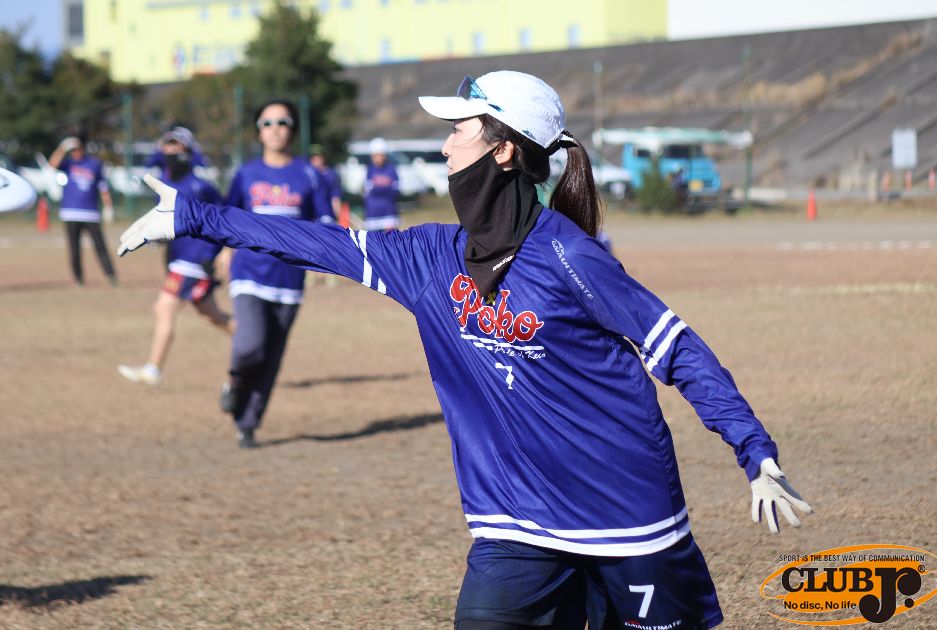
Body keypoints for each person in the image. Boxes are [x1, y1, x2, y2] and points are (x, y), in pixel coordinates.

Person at [119, 71, 813, 628]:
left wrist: (752, 450)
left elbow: (676, 348)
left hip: (626, 517)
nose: (446, 146)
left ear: (503, 149)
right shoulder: (429, 257)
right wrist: (194, 216)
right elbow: (316, 243)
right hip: (514, 525)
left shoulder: (571, 257)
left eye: (458, 129)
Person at [217, 98, 327, 448]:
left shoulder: (309, 175)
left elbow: (324, 222)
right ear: (258, 132)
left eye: (282, 122)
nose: (275, 129)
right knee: (250, 344)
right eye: (267, 123)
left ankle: (247, 423)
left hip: (289, 280)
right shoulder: (246, 173)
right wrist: (224, 250)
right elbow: (228, 216)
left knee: (272, 357)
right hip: (248, 273)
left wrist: (324, 260)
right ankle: (235, 378)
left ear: (293, 130)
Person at [117, 129, 234, 387]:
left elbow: (224, 219)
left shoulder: (201, 186)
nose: (171, 150)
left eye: (177, 145)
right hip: (179, 258)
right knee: (210, 315)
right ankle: (254, 342)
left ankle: (153, 369)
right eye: (167, 145)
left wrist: (220, 252)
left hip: (194, 261)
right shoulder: (165, 182)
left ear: (188, 151)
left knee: (164, 308)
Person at [48, 135, 117, 286]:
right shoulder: (68, 163)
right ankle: (78, 278)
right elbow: (52, 165)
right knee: (74, 248)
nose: (75, 152)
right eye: (72, 150)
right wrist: (62, 148)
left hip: (91, 213)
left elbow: (103, 187)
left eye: (77, 149)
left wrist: (108, 206)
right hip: (70, 213)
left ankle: (110, 275)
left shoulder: (94, 164)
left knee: (100, 246)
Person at [362, 137, 399, 230]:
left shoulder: (391, 169)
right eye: (375, 155)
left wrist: (380, 187)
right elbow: (367, 190)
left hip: (388, 211)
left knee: (391, 237)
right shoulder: (369, 170)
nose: (378, 158)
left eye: (380, 155)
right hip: (372, 212)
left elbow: (395, 190)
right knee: (372, 238)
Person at [308, 144, 342, 224]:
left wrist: (338, 217)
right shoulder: (307, 174)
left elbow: (335, 198)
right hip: (310, 217)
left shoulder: (330, 175)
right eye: (313, 157)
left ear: (323, 157)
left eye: (318, 157)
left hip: (326, 216)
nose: (315, 160)